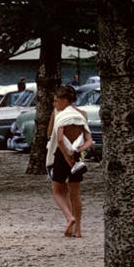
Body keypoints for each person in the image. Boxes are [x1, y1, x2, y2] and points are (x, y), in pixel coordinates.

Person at [46, 85, 93, 237]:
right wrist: (78, 151)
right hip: (77, 155)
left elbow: (52, 135)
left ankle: (69, 217)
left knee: (58, 190)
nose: (54, 104)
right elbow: (88, 139)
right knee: (75, 193)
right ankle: (78, 229)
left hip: (62, 154)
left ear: (64, 100)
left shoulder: (59, 113)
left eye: (56, 101)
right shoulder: (82, 114)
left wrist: (66, 155)